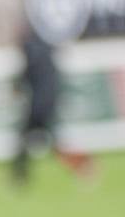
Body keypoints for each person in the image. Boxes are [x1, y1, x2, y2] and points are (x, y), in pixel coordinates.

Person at [11, 23, 96, 187]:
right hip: (48, 102)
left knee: (37, 142)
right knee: (50, 143)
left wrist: (17, 85)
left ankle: (20, 178)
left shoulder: (32, 50)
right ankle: (83, 167)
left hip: (40, 105)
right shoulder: (47, 48)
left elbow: (29, 75)